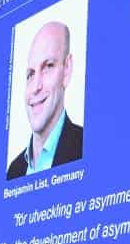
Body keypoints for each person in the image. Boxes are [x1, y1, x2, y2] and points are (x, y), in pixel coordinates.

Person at [6, 21, 84, 179]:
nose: (35, 87)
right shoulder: (14, 171)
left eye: (48, 66)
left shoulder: (84, 146)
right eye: (30, 74)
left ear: (67, 70)